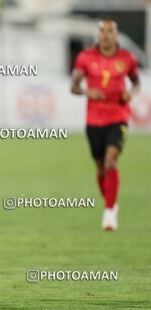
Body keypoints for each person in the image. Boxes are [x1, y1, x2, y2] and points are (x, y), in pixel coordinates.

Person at [71, 18, 139, 231]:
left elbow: (136, 82)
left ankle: (109, 213)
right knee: (100, 167)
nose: (106, 35)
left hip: (118, 116)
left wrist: (131, 93)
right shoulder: (85, 57)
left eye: (110, 31)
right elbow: (73, 86)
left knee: (111, 160)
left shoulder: (127, 59)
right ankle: (111, 202)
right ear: (98, 35)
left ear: (117, 34)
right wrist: (85, 90)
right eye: (103, 31)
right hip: (93, 120)